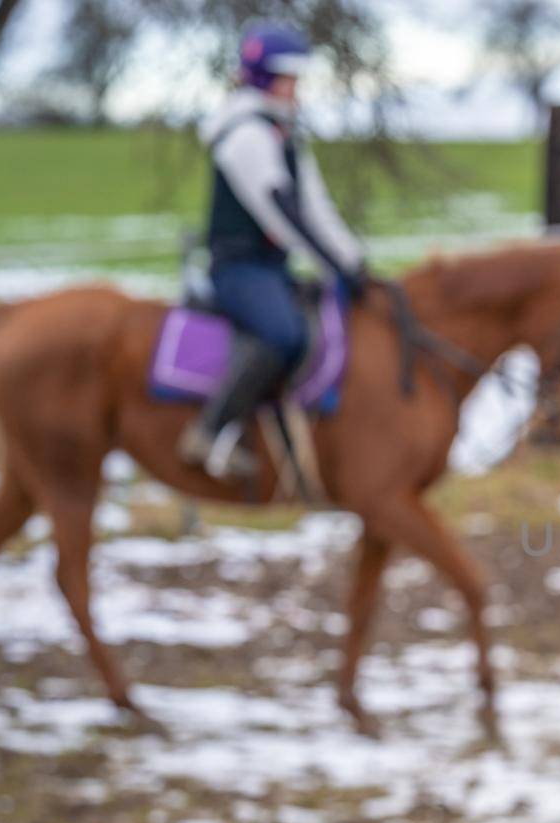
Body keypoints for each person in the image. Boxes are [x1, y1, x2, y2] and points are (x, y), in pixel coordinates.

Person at [179, 21, 369, 480]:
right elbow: (281, 211)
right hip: (238, 268)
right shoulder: (244, 135)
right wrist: (333, 264)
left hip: (270, 268)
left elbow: (317, 207)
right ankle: (209, 429)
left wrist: (354, 258)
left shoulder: (284, 134)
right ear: (263, 78)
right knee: (283, 335)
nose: (296, 89)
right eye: (289, 78)